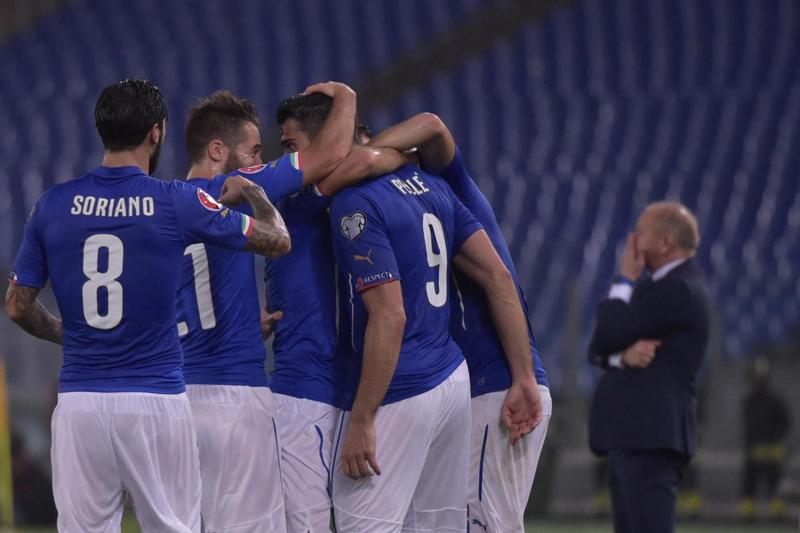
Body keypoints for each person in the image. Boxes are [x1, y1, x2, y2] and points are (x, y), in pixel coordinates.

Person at [4, 79, 290, 532]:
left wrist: (65, 333)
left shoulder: (52, 205)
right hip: (155, 399)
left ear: (102, 129)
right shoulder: (175, 200)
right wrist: (254, 193)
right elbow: (277, 241)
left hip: (80, 403)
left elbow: (18, 307)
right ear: (157, 131)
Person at [328, 149, 542, 531]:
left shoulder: (441, 186)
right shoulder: (435, 191)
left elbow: (430, 126)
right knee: (447, 522)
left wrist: (522, 378)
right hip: (465, 378)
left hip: (490, 382)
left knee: (486, 523)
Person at [177, 84, 357, 532]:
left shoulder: (163, 206)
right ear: (218, 151)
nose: (260, 160)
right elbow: (332, 151)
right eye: (254, 151)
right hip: (235, 397)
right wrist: (344, 95)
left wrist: (239, 320)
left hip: (178, 401)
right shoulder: (238, 188)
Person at [267, 92, 409, 532]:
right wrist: (348, 100)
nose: (288, 161)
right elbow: (370, 159)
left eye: (292, 147)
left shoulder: (355, 203)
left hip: (351, 393)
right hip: (302, 393)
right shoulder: (295, 202)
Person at [587, 201, 710, 533]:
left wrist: (624, 279)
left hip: (650, 437)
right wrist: (621, 357)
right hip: (635, 436)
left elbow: (608, 333)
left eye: (640, 232)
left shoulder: (677, 289)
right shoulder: (657, 286)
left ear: (666, 242)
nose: (633, 240)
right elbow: (597, 349)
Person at [738, 356, 791, 520]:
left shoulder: (775, 401)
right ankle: (748, 512)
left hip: (771, 450)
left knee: (773, 482)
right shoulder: (749, 401)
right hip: (754, 449)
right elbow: (747, 426)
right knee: (750, 482)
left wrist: (775, 440)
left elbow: (784, 423)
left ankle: (777, 512)